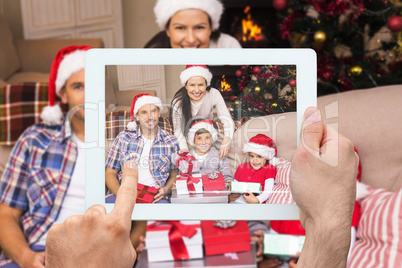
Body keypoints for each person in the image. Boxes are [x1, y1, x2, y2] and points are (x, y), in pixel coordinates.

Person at [45, 106, 359, 267]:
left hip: (241, 217)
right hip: (206, 213)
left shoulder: (261, 176)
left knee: (244, 235)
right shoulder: (177, 154)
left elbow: (232, 185)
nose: (254, 160)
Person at [0, 45, 91, 267]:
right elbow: (6, 215)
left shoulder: (126, 138)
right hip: (39, 251)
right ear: (63, 94)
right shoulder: (35, 140)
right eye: (78, 87)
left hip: (100, 253)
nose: (88, 95)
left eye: (94, 84)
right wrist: (25, 257)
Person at [105, 93, 180, 203]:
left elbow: (174, 173)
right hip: (122, 193)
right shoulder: (123, 138)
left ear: (159, 113)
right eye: (144, 112)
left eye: (153, 111)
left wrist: (166, 189)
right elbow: (110, 173)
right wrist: (121, 194)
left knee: (164, 216)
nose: (150, 117)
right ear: (137, 116)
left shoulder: (171, 141)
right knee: (100, 213)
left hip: (156, 197)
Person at [171, 65, 235, 159]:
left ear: (206, 84)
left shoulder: (214, 94)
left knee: (231, 147)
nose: (197, 90)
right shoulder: (178, 102)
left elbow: (226, 118)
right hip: (188, 135)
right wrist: (184, 149)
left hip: (208, 131)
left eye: (201, 85)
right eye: (192, 85)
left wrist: (227, 139)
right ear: (186, 85)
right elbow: (178, 131)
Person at [145, 0, 242, 48]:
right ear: (168, 30)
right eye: (180, 28)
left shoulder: (228, 45)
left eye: (199, 27)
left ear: (210, 28)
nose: (191, 39)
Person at [229, 134, 277, 204]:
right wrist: (231, 195)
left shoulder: (269, 169)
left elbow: (268, 191)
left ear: (266, 157)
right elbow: (235, 185)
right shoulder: (242, 167)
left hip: (255, 203)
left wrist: (257, 200)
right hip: (237, 201)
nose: (255, 160)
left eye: (259, 157)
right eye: (252, 156)